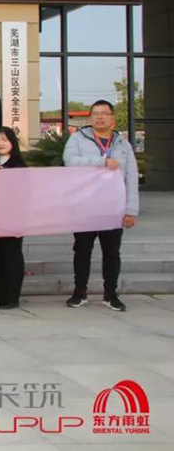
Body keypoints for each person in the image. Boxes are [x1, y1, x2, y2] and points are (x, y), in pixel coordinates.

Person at [63, 100, 139, 312]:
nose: (99, 117)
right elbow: (69, 160)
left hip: (113, 208)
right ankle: (79, 293)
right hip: (85, 206)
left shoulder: (123, 145)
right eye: (95, 113)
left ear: (112, 118)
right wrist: (101, 161)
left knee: (112, 252)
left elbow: (131, 178)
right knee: (82, 250)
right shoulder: (78, 139)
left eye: (104, 113)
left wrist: (131, 210)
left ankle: (110, 294)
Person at [0, 126, 27, 310]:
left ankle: (12, 296)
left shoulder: (19, 165)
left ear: (12, 143)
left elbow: (23, 191)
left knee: (12, 256)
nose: (0, 143)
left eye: (4, 139)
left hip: (13, 217)